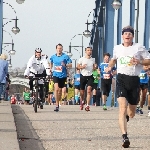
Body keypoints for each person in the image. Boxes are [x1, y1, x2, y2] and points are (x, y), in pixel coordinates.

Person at [105, 25, 150, 148]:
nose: (127, 35)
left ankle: (127, 117)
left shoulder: (138, 47)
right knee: (122, 107)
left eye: (130, 33)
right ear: (122, 36)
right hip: (121, 79)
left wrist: (139, 62)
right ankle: (125, 136)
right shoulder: (117, 48)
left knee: (131, 113)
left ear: (132, 36)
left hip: (134, 80)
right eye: (125, 33)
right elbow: (114, 60)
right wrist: (110, 66)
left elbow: (148, 60)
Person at [50, 43, 72, 111]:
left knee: (59, 91)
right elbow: (51, 62)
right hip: (55, 74)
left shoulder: (65, 56)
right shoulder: (53, 57)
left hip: (63, 75)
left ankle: (58, 103)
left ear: (62, 49)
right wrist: (50, 69)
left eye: (60, 48)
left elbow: (70, 65)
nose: (59, 50)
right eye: (58, 48)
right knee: (56, 89)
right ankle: (56, 104)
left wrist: (65, 65)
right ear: (56, 49)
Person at [77, 47, 95, 111]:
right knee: (82, 92)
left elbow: (94, 68)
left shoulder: (93, 59)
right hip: (83, 76)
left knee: (89, 90)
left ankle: (87, 105)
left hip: (90, 76)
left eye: (90, 50)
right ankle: (82, 102)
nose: (89, 51)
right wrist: (82, 66)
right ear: (85, 51)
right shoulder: (82, 59)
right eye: (88, 50)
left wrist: (95, 67)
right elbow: (77, 67)